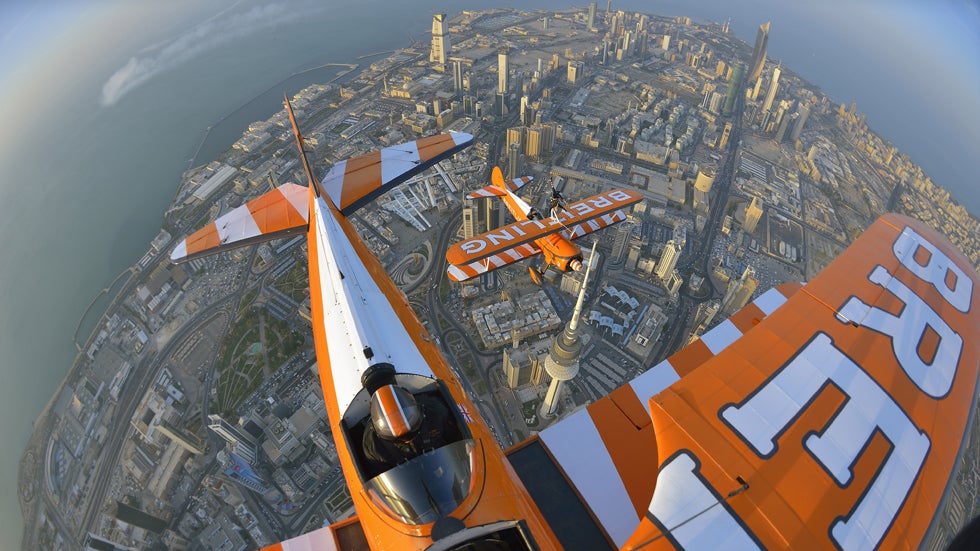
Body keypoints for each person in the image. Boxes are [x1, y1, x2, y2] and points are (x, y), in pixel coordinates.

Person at [362, 384, 453, 475]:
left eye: (411, 434)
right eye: (398, 439)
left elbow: (454, 439)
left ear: (421, 411)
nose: (407, 440)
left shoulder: (436, 412)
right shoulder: (373, 447)